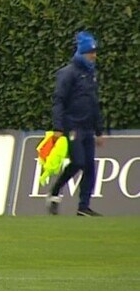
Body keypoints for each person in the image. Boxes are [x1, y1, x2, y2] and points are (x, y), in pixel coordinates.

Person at [46, 31, 105, 217]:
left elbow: (93, 103)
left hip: (87, 128)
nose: (94, 56)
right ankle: (55, 192)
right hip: (73, 127)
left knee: (89, 167)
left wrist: (99, 131)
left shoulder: (90, 74)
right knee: (78, 161)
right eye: (91, 52)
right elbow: (59, 100)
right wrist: (58, 127)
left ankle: (83, 207)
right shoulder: (67, 73)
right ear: (83, 53)